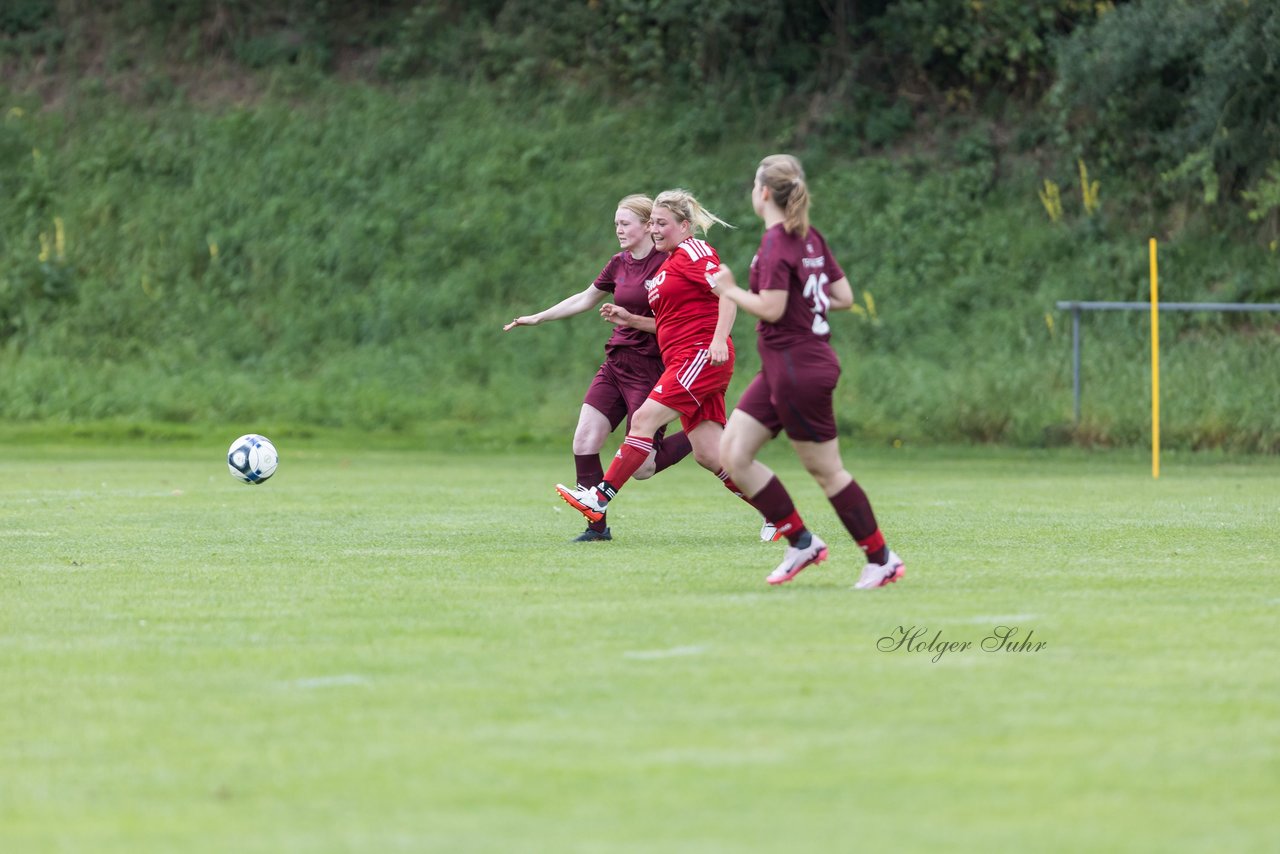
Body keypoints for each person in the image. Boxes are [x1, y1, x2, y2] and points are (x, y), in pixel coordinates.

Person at [711, 154, 905, 589]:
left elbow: (773, 308)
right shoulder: (808, 237)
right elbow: (842, 295)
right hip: (784, 366)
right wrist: (804, 300)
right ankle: (801, 542)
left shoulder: (779, 242)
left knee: (827, 471)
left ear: (763, 192)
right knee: (734, 453)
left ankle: (881, 559)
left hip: (799, 368)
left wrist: (730, 290)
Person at [556, 188, 760, 526]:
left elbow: (728, 293)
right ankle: (781, 516)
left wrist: (719, 338)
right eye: (651, 223)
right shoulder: (671, 262)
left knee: (643, 421)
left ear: (684, 225)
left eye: (661, 223)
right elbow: (673, 318)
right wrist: (633, 320)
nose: (654, 230)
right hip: (682, 358)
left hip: (698, 357)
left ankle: (599, 497)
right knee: (710, 455)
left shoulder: (694, 250)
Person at [505, 194, 692, 541]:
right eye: (616, 224)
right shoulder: (619, 263)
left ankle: (699, 434)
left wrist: (632, 320)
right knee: (584, 439)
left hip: (652, 367)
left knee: (644, 468)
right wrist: (539, 317)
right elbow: (585, 297)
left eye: (625, 223)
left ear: (647, 226)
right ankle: (596, 527)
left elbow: (678, 323)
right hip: (617, 363)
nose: (618, 229)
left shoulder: (669, 264)